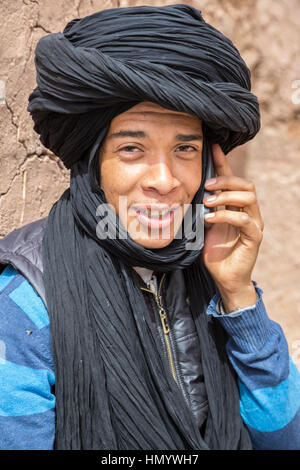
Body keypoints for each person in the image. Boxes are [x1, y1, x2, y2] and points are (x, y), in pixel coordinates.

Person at [0, 4, 299, 450]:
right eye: (132, 149)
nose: (164, 180)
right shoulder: (27, 303)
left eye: (183, 149)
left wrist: (238, 298)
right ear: (92, 160)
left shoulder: (206, 272)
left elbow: (284, 439)